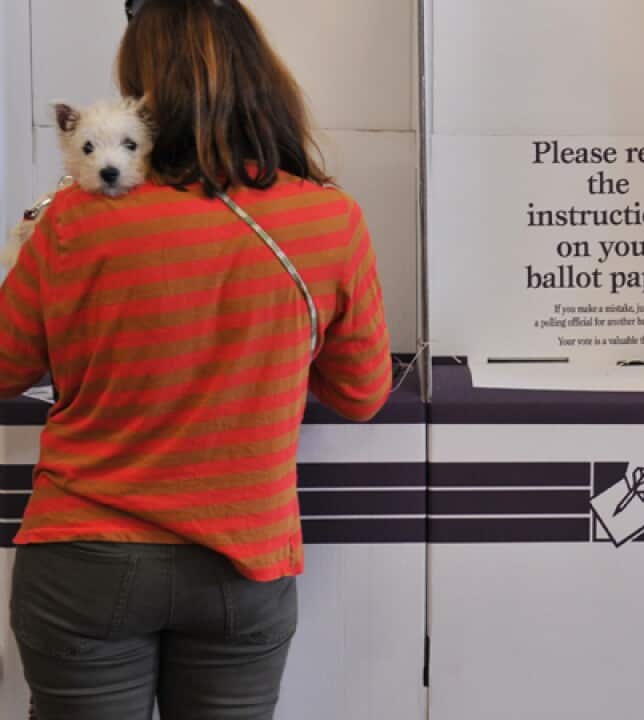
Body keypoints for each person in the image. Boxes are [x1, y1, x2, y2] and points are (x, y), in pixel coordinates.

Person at [4, 1, 391, 717]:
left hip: (82, 556)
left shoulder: (78, 219)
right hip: (243, 563)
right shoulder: (328, 220)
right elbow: (363, 392)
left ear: (145, 96)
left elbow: (4, 366)